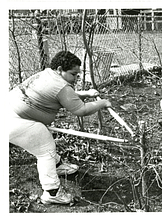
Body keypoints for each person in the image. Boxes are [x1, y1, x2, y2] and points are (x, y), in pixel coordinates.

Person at [9, 51, 112, 205]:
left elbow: (63, 95)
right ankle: (52, 192)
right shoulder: (60, 85)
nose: (76, 78)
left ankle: (57, 166)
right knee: (45, 150)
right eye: (73, 74)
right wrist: (102, 103)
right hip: (15, 121)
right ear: (59, 69)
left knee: (44, 143)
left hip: (9, 112)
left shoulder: (48, 74)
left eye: (78, 74)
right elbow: (81, 110)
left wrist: (86, 93)